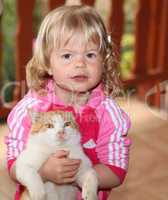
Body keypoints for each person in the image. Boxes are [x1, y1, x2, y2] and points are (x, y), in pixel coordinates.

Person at [5, 5, 131, 200]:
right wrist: (44, 171)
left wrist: (74, 175)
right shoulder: (31, 108)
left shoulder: (109, 113)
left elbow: (116, 170)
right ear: (47, 63)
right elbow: (13, 162)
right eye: (67, 55)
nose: (80, 64)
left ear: (103, 62)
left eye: (90, 55)